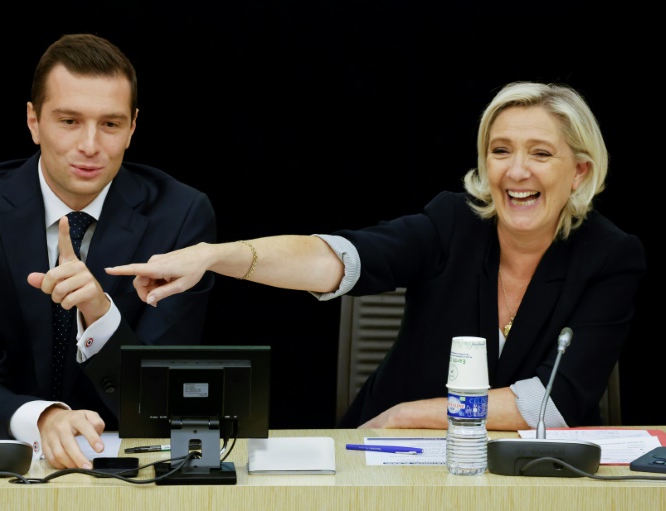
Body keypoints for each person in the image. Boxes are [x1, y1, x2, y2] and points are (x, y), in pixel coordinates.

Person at [107, 81, 646, 432]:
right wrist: (213, 255)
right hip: (389, 459)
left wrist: (409, 415)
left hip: (518, 470)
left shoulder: (610, 256)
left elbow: (552, 403)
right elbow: (336, 259)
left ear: (579, 171)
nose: (516, 171)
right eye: (500, 150)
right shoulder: (453, 222)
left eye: (541, 153)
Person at [0, 33, 216, 469]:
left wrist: (100, 313)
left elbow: (162, 400)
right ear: (33, 122)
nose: (90, 146)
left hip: (127, 457)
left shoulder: (181, 216)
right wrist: (44, 417)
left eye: (110, 124)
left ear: (132, 127)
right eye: (69, 121)